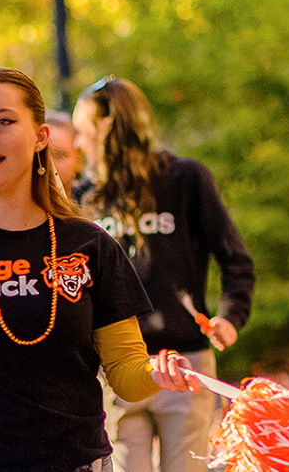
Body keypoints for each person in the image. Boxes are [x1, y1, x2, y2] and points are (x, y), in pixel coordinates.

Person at [0, 68, 206, 472]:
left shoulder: (90, 246)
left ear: (41, 136)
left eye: (4, 121)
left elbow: (125, 374)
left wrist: (156, 371)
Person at [72, 76, 255, 472]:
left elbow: (235, 258)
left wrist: (230, 316)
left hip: (186, 363)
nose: (77, 145)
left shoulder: (185, 179)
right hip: (118, 371)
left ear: (105, 129)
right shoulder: (82, 196)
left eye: (82, 133)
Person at [45, 111, 83, 199]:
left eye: (60, 155)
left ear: (78, 160)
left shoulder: (94, 204)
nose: (50, 164)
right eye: (42, 155)